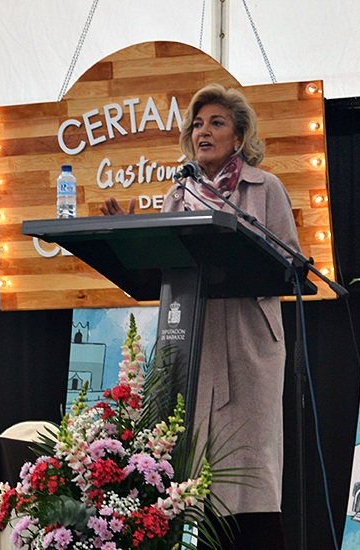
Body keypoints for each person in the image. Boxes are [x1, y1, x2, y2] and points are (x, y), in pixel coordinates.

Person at [101, 84, 298, 548]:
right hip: (192, 340)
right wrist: (133, 237)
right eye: (197, 123)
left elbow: (289, 262)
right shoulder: (179, 194)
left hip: (249, 342)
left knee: (250, 470)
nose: (203, 131)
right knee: (189, 473)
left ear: (239, 136)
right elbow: (162, 267)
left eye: (216, 123)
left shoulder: (264, 187)